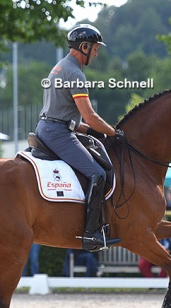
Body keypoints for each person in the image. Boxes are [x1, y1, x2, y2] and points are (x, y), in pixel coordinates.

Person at [35, 24, 121, 252]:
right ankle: (90, 234)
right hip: (58, 133)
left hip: (49, 127)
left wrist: (90, 131)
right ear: (84, 47)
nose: (96, 53)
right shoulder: (75, 73)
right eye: (94, 48)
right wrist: (115, 133)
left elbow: (65, 114)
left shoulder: (59, 68)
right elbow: (90, 116)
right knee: (98, 173)